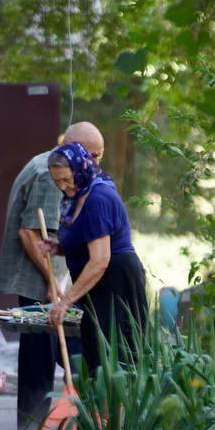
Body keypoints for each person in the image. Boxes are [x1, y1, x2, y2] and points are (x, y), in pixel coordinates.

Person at [0, 122, 105, 430]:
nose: (96, 163)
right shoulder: (50, 174)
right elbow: (30, 233)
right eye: (94, 155)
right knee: (44, 356)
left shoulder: (56, 167)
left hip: (48, 277)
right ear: (76, 149)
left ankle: (34, 429)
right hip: (38, 279)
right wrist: (51, 282)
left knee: (44, 354)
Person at [43, 143, 148, 371]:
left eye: (66, 179)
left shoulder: (98, 198)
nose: (63, 187)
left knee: (114, 358)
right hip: (95, 284)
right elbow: (85, 240)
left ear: (80, 169)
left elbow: (100, 260)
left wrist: (65, 302)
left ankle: (115, 408)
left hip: (115, 282)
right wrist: (58, 247)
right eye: (57, 181)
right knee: (94, 355)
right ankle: (98, 407)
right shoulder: (74, 197)